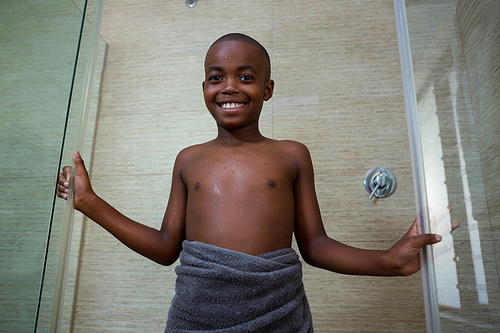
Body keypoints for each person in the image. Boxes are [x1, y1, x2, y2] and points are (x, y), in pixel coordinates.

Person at [57, 33, 459, 332]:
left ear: (267, 89)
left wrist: (388, 261)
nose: (229, 86)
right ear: (203, 89)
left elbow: (315, 246)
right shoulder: (188, 159)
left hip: (276, 312)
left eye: (245, 76)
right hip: (199, 315)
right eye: (217, 77)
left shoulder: (291, 154)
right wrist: (90, 202)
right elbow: (166, 248)